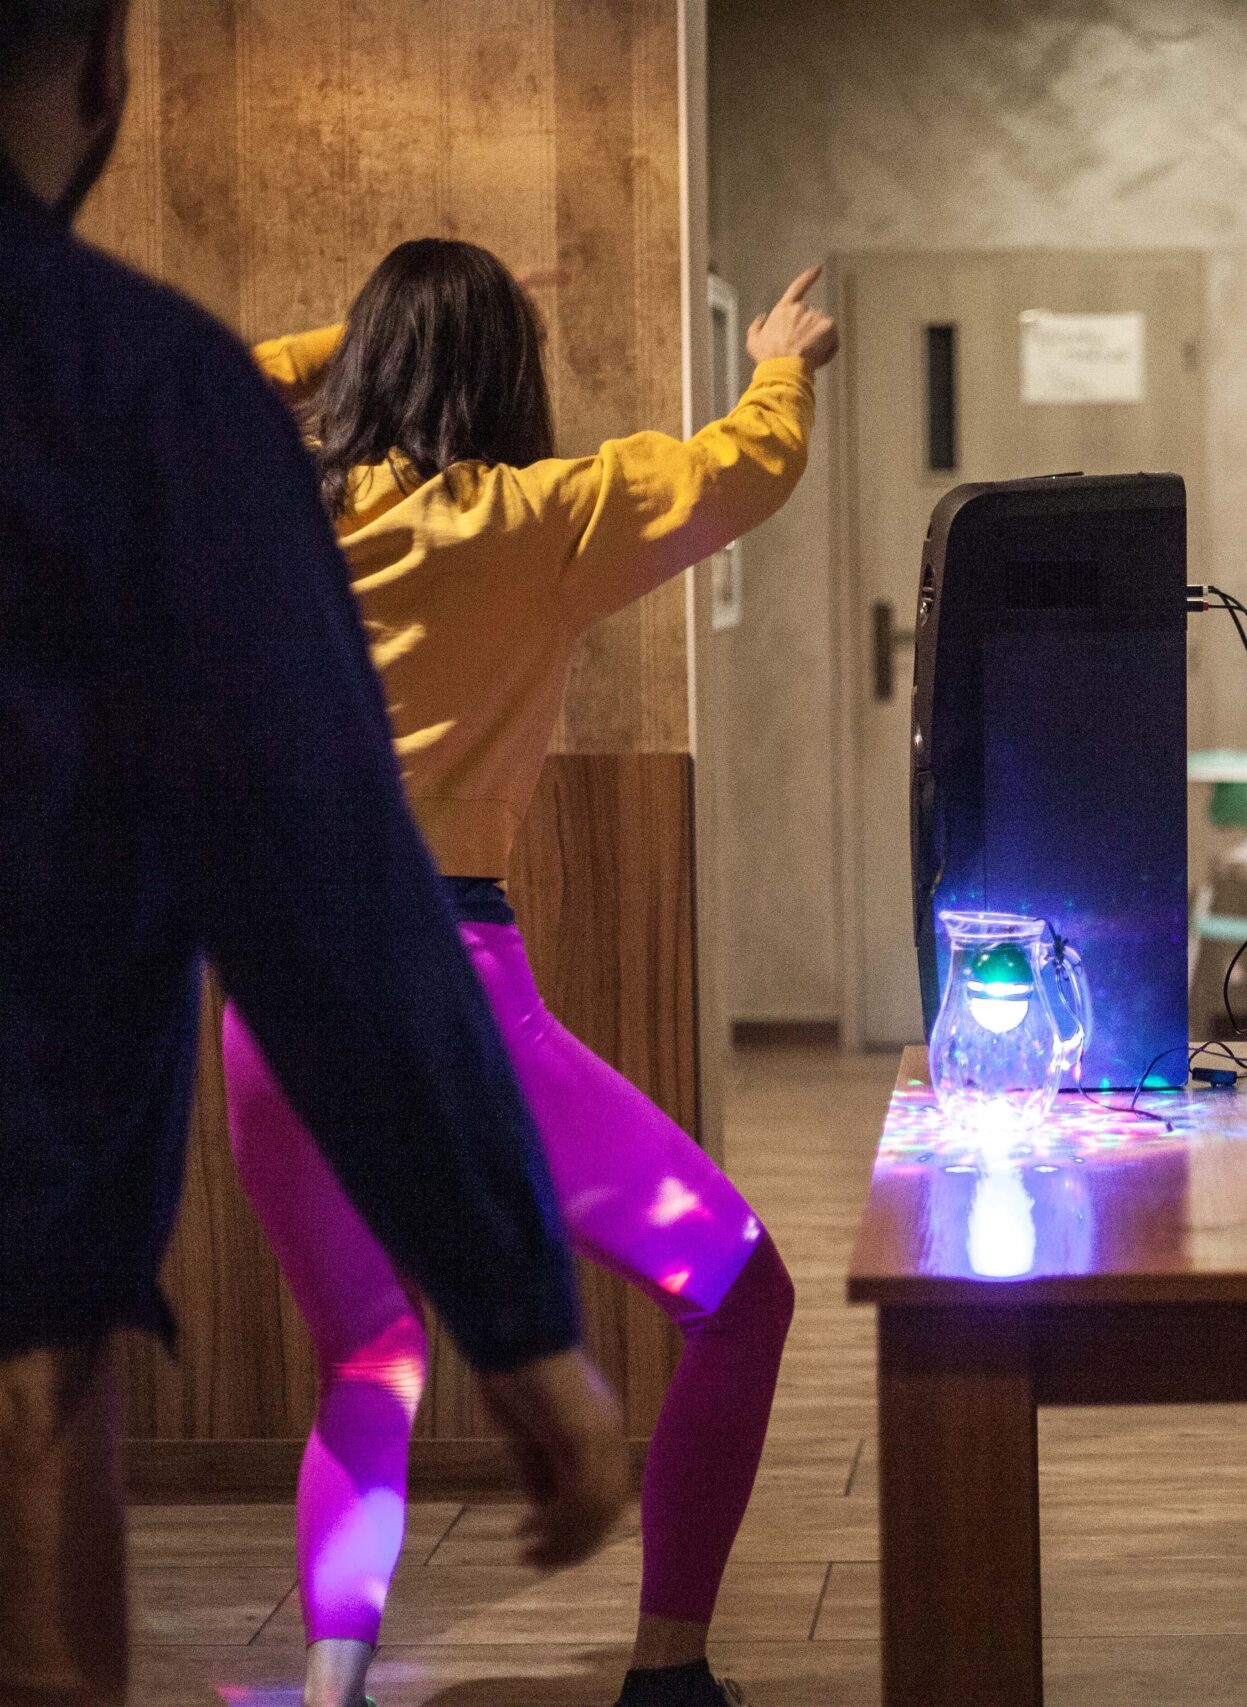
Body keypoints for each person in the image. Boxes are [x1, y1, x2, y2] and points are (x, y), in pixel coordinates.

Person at [0, 4, 630, 1702]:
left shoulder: (184, 402)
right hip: (22, 1258)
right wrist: (521, 1322)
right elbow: (318, 887)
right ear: (105, 70)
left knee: (364, 1349)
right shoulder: (133, 393)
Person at [232, 240, 837, 1707]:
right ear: (509, 379)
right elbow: (745, 468)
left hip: (273, 1007)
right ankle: (669, 1676)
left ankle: (330, 1689)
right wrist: (779, 365)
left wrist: (356, 341)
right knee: (738, 1293)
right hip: (451, 1002)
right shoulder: (540, 518)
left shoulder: (262, 500)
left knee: (369, 1355)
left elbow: (222, 385)